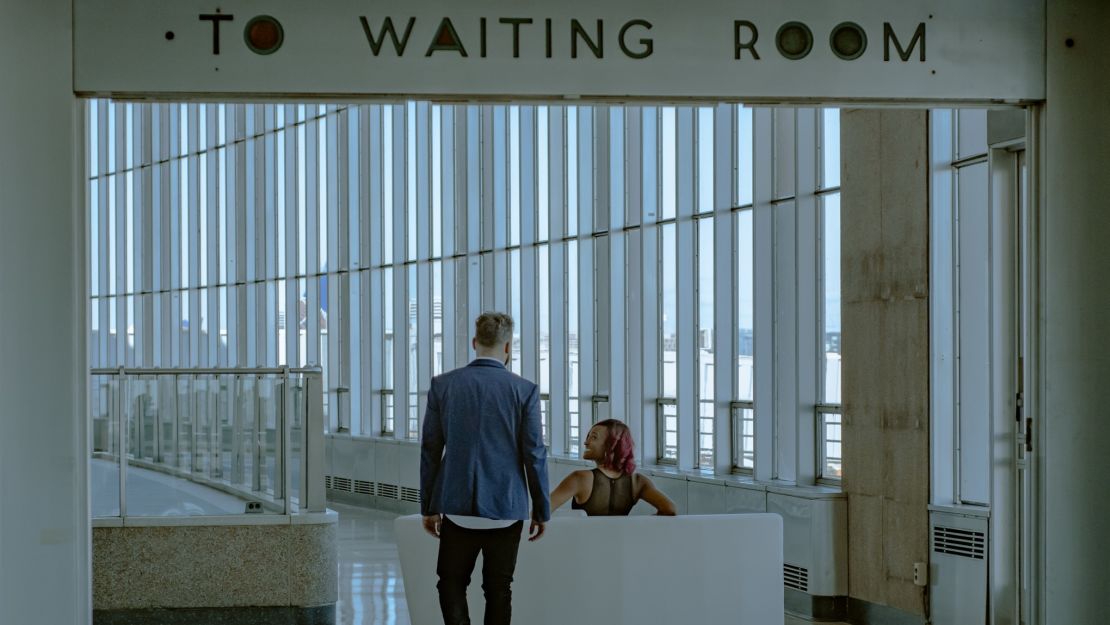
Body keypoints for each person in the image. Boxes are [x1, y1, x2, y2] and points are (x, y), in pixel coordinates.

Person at [419, 311, 550, 625]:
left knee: (451, 582)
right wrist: (541, 509)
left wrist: (429, 506)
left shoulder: (443, 385)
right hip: (506, 506)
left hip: (456, 503)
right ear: (508, 347)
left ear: (474, 343)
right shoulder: (525, 390)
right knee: (499, 587)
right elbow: (534, 454)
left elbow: (430, 450)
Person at [549, 419, 677, 516]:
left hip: (586, 545)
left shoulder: (580, 478)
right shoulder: (638, 481)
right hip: (620, 546)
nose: (586, 442)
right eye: (588, 436)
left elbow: (543, 510)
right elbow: (670, 509)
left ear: (611, 445)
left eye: (594, 437)